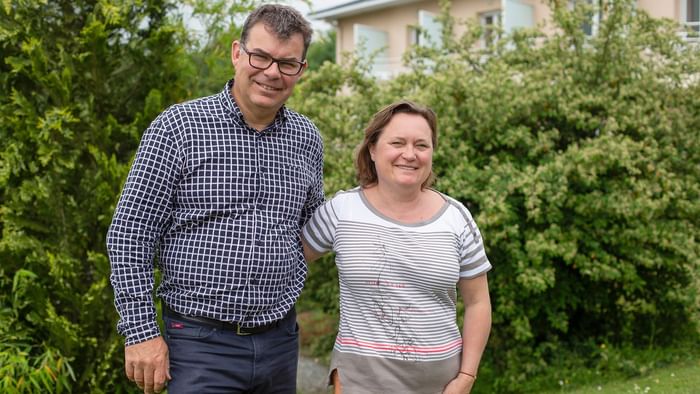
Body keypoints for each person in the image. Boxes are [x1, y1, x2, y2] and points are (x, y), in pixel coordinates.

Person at [106, 4, 323, 394]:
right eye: (261, 56)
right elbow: (129, 234)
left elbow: (310, 229)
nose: (272, 72)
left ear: (301, 70)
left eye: (287, 63)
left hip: (280, 342)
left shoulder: (307, 139)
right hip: (198, 344)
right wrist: (140, 332)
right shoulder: (178, 128)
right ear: (237, 53)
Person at [302, 101, 492, 394]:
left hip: (441, 385)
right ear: (373, 150)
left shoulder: (456, 217)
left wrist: (467, 376)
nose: (409, 154)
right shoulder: (342, 211)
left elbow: (478, 303)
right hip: (360, 383)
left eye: (421, 145)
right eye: (397, 142)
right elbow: (286, 263)